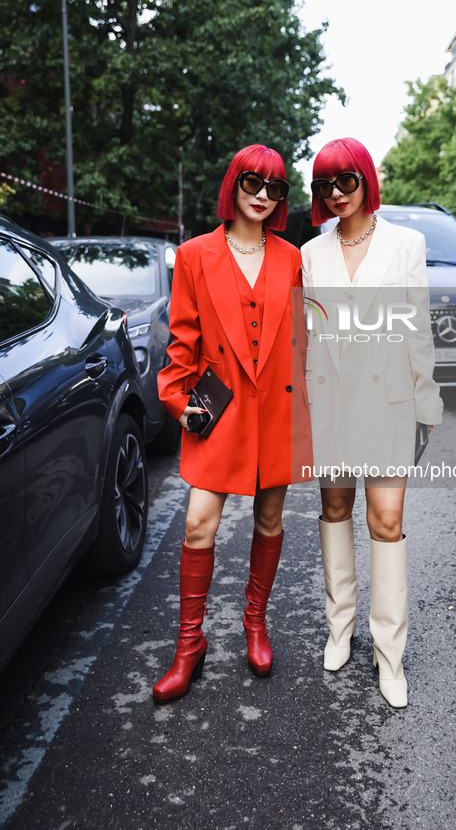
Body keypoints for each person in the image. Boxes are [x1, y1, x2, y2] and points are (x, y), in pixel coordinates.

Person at [154, 144, 311, 702]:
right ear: (233, 186)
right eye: (252, 184)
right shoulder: (195, 254)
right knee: (199, 523)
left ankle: (255, 621)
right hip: (218, 409)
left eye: (274, 189)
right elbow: (182, 340)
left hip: (275, 408)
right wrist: (174, 399)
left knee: (270, 520)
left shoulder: (292, 257)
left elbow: (302, 339)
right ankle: (189, 645)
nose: (263, 196)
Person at [301, 137, 442, 709]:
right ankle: (341, 627)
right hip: (332, 403)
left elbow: (418, 330)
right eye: (324, 186)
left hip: (387, 404)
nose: (336, 194)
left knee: (386, 520)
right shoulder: (311, 253)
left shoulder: (407, 243)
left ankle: (390, 653)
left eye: (346, 181)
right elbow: (308, 332)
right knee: (335, 508)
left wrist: (426, 406)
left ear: (366, 180)